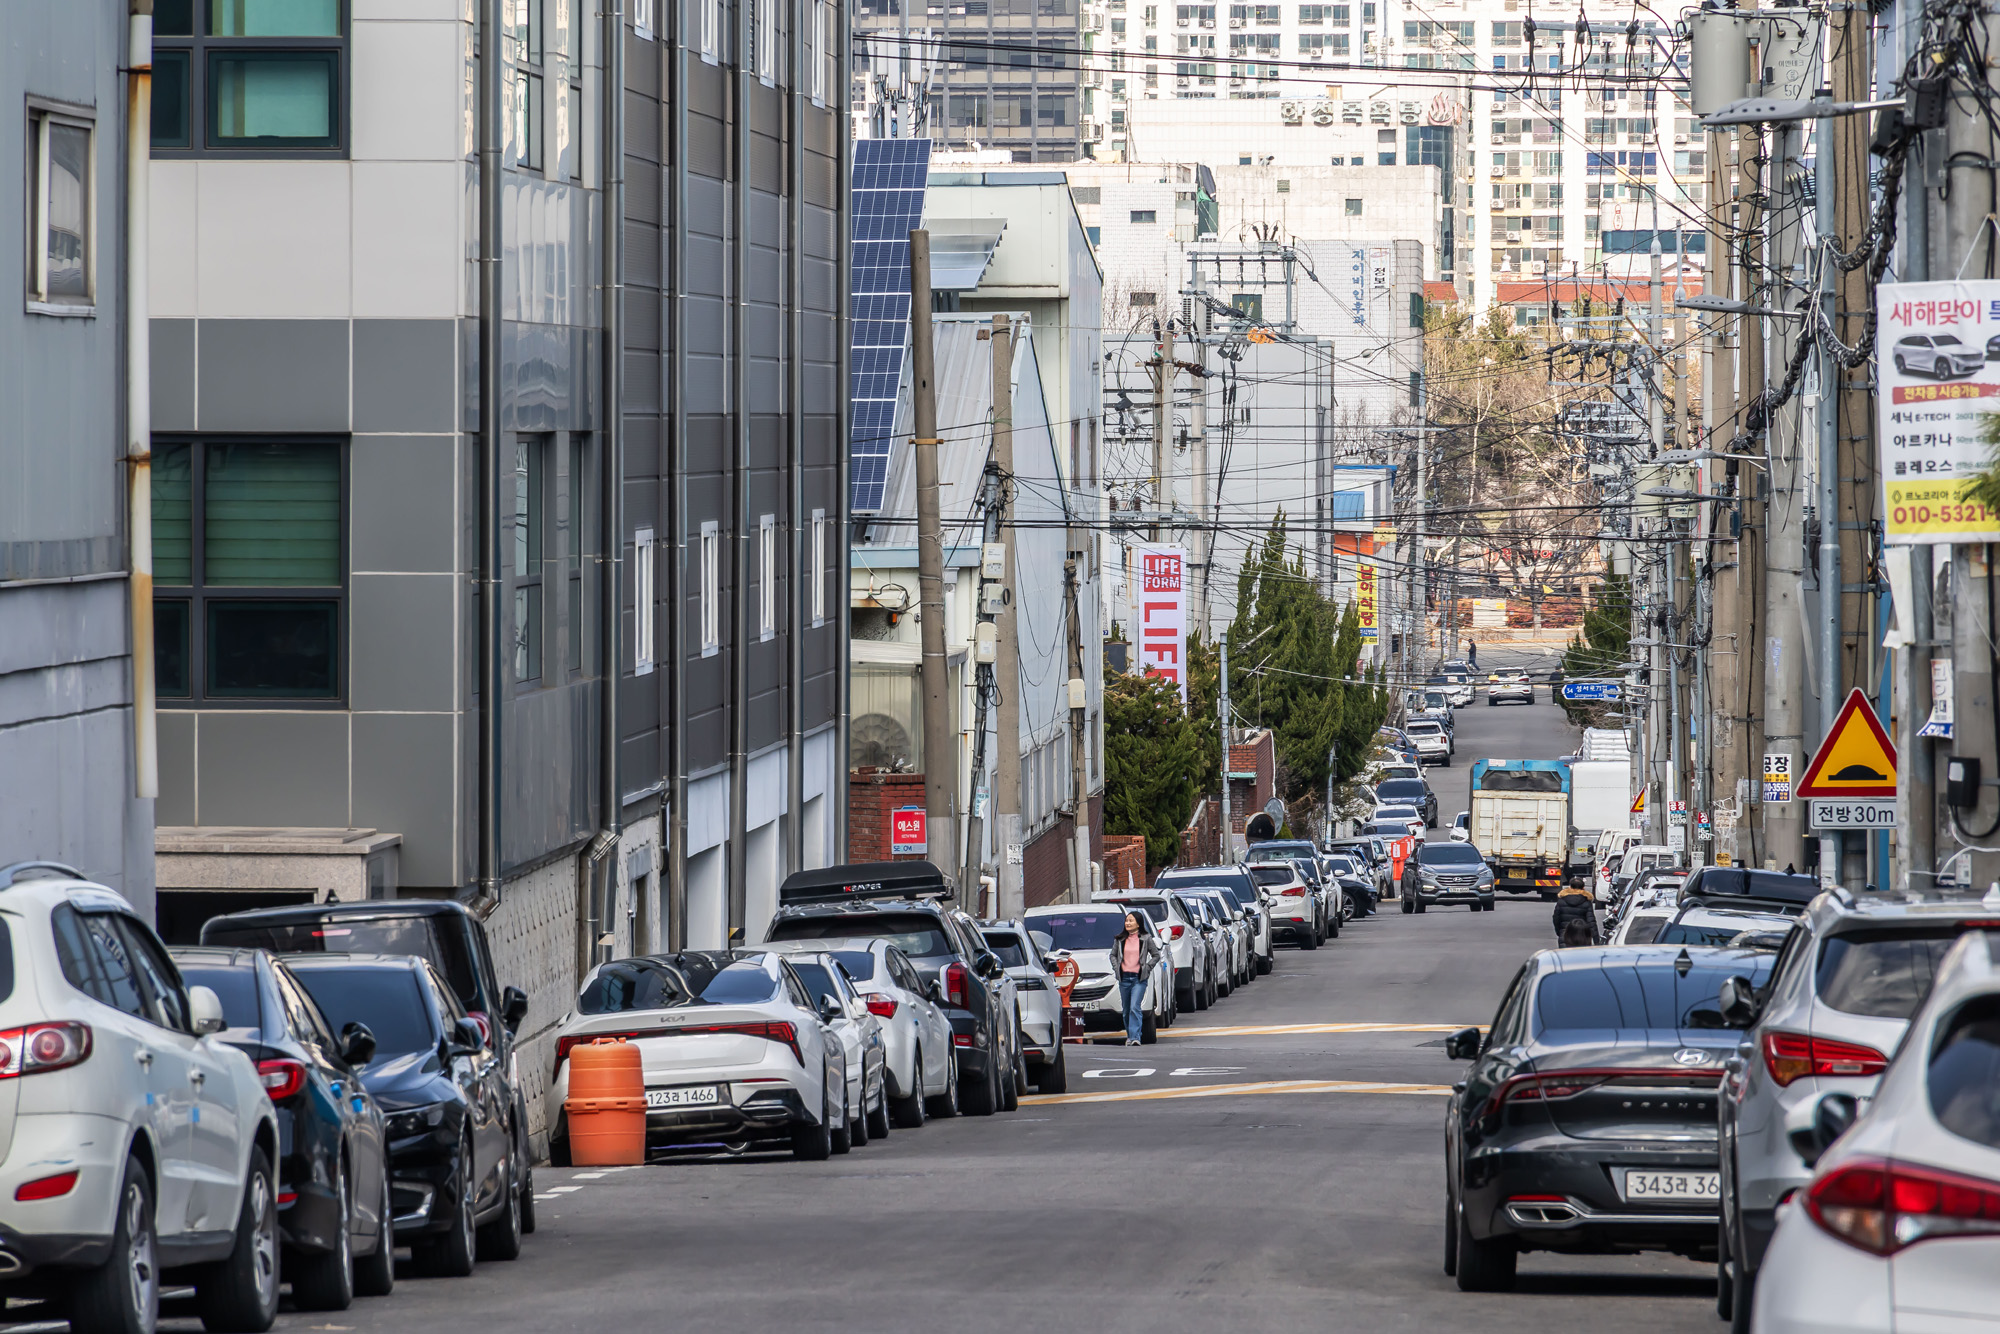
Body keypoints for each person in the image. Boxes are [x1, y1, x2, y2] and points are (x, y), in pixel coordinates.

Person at [1111, 912, 1162, 1045]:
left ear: (1138, 923)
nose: (1128, 923)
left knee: (1135, 1007)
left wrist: (1147, 968)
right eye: (1127, 921)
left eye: (1131, 921)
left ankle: (1135, 1038)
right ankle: (1130, 1035)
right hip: (1124, 978)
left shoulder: (1146, 938)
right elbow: (1113, 955)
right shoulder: (1120, 939)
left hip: (1139, 979)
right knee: (1126, 1010)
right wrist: (1117, 969)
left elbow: (1156, 955)